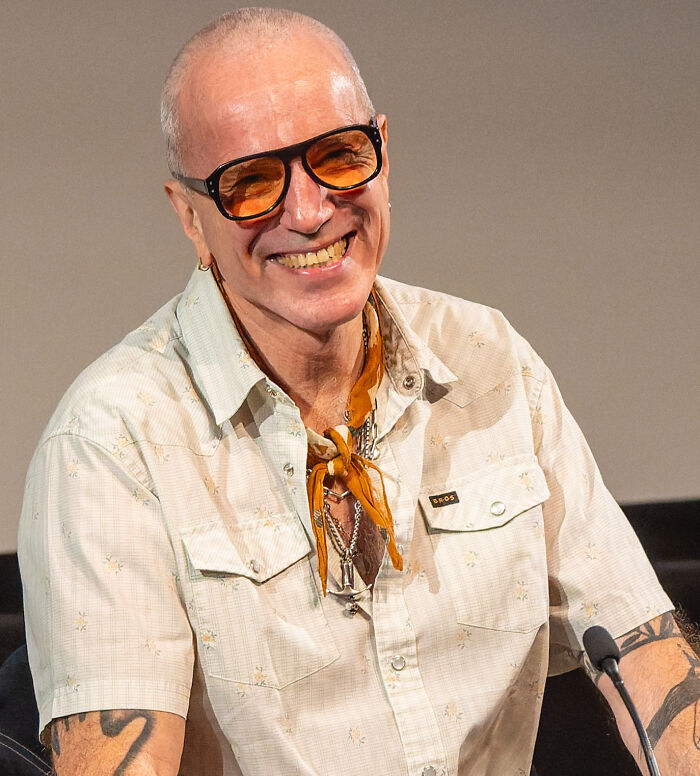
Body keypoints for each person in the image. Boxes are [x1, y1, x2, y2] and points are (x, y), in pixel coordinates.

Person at [17, 8, 699, 776]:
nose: (309, 213)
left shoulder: (489, 361)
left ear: (382, 148)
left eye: (339, 157)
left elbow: (647, 662)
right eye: (251, 183)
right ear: (190, 218)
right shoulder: (112, 444)